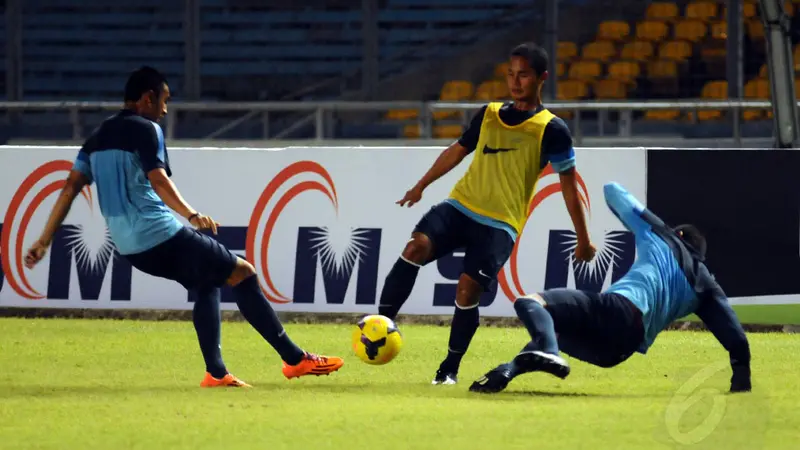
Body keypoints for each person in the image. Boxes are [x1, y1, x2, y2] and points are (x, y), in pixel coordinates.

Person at [24, 66, 344, 388]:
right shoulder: (146, 129)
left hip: (128, 246)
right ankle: (295, 359)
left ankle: (216, 374)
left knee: (207, 282)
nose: (164, 110)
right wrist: (192, 215)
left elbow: (69, 188)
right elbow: (158, 179)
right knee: (243, 272)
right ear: (147, 98)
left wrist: (43, 240)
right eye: (164, 101)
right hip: (157, 232)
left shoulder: (94, 140)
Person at [377, 43, 596, 385]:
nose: (515, 81)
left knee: (467, 291)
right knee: (414, 248)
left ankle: (448, 368)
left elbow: (569, 186)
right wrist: (420, 186)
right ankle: (379, 327)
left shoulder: (552, 129)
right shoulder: (489, 113)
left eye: (523, 74)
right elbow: (456, 152)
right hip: (460, 206)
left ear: (542, 78)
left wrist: (583, 239)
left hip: (499, 225)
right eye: (511, 74)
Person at [469, 182, 752, 394]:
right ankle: (507, 370)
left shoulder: (662, 236)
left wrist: (655, 223)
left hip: (619, 310)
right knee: (553, 330)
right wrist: (741, 378)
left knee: (530, 304)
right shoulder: (706, 285)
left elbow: (611, 190)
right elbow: (736, 338)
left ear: (678, 234)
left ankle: (551, 353)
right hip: (619, 350)